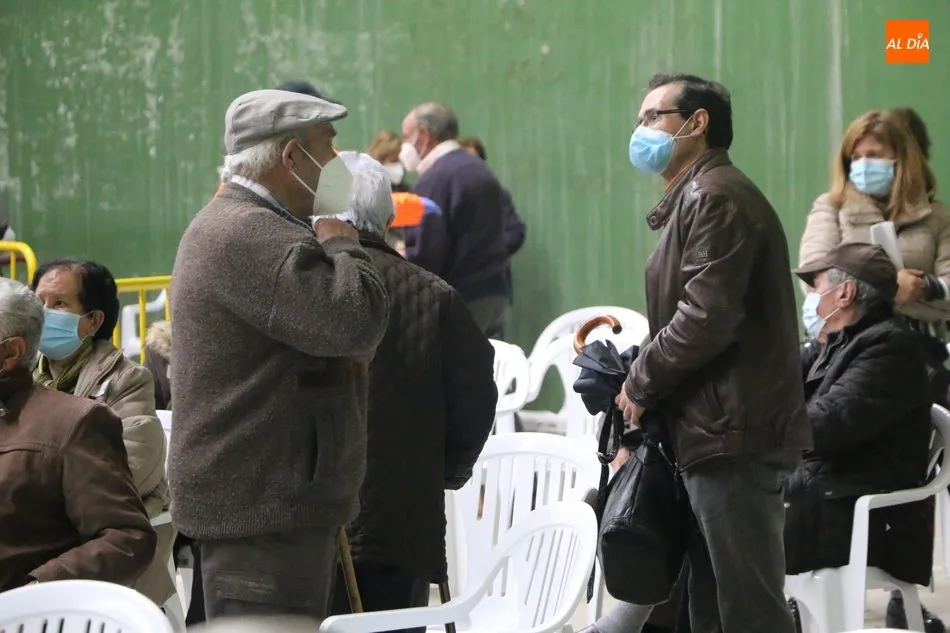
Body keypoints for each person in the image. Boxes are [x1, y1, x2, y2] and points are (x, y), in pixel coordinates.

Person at [169, 89, 389, 620]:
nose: (337, 161)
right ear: (292, 156)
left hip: (267, 503)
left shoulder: (246, 225)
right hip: (263, 513)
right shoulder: (254, 235)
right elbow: (356, 323)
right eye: (327, 145)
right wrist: (342, 242)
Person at [605, 73, 811, 633]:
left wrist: (640, 382)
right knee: (712, 606)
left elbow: (704, 317)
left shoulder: (714, 196)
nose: (640, 130)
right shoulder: (698, 196)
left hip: (732, 431)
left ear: (697, 123)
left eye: (653, 117)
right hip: (712, 430)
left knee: (748, 609)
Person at [326, 152, 497, 631]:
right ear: (387, 220)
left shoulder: (308, 285)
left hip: (313, 524)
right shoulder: (434, 296)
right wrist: (442, 471)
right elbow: (475, 397)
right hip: (401, 523)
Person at [797, 109, 950, 630]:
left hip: (915, 354)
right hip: (853, 337)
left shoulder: (935, 215)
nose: (864, 165)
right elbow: (817, 273)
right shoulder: (832, 208)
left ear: (902, 159)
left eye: (876, 156)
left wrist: (918, 289)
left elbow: (823, 429)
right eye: (856, 157)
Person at [787, 243, 939, 633]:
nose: (813, 298)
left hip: (861, 514)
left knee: (725, 508)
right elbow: (770, 382)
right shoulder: (836, 343)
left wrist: (752, 426)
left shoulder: (888, 348)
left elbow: (822, 426)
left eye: (817, 286)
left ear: (846, 293)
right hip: (827, 493)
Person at [29, 258, 174, 607]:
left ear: (94, 320)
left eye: (59, 304)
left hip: (98, 537)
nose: (45, 314)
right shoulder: (19, 375)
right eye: (39, 303)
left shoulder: (128, 380)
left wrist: (37, 495)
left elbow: (131, 469)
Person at [0, 277, 156, 589]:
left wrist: (40, 589)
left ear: (11, 352)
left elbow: (126, 538)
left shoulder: (74, 422)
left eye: (60, 301)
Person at [400, 102, 510, 338]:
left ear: (424, 134)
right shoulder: (479, 169)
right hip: (494, 295)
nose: (404, 146)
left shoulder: (435, 180)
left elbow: (425, 255)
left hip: (459, 301)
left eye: (407, 137)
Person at [458, 136, 527, 310]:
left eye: (475, 161)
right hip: (458, 288)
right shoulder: (448, 194)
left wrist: (488, 253)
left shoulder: (496, 194)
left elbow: (515, 232)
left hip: (491, 287)